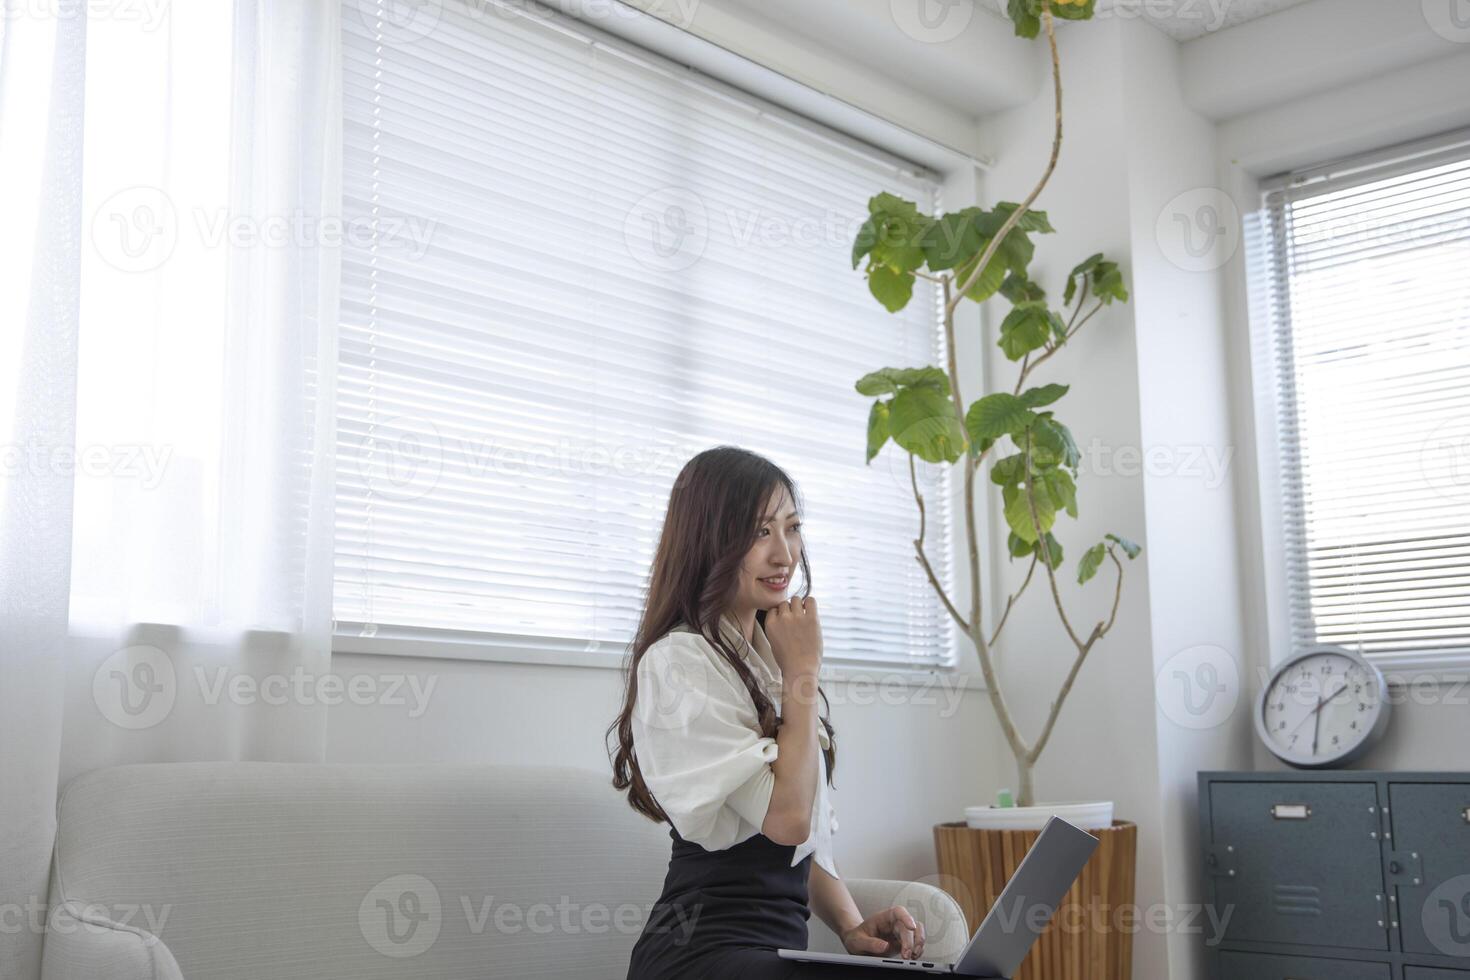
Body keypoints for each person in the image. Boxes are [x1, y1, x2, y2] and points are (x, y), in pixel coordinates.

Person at [608, 446, 926, 979]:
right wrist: (804, 672)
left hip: (773, 955)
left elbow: (801, 843)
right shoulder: (678, 662)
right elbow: (787, 820)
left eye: (792, 527)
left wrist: (850, 926)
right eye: (759, 532)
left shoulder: (765, 657)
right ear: (709, 540)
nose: (785, 554)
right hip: (701, 954)